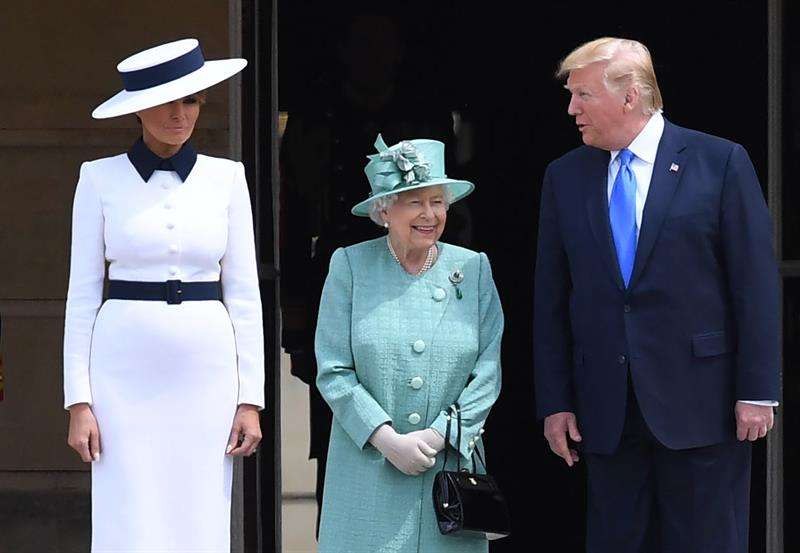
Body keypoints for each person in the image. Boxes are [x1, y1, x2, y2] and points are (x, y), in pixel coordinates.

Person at [534, 37, 780, 553]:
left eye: (582, 95)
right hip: (606, 409)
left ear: (629, 96)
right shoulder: (565, 176)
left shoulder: (720, 162)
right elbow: (552, 299)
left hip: (703, 406)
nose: (571, 109)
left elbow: (754, 285)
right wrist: (555, 401)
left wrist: (757, 390)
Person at [63, 38, 264, 553]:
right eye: (167, 101)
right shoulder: (98, 178)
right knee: (126, 506)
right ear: (138, 108)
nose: (181, 113)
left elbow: (244, 293)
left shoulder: (228, 177)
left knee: (200, 505)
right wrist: (78, 400)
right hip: (121, 366)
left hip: (207, 366)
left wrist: (251, 398)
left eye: (191, 100)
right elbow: (82, 295)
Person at [278, 11, 464, 533]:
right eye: (362, 42)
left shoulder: (421, 113)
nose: (373, 53)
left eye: (383, 42)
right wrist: (294, 301)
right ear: (344, 51)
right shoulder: (318, 115)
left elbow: (447, 204)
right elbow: (292, 208)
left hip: (422, 273)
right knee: (341, 425)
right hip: (340, 275)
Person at [314, 134, 503, 552]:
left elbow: (487, 372)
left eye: (437, 202)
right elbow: (333, 369)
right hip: (369, 468)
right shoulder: (349, 265)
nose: (430, 214)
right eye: (415, 201)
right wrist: (387, 440)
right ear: (384, 209)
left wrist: (438, 435)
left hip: (447, 471)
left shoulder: (473, 270)